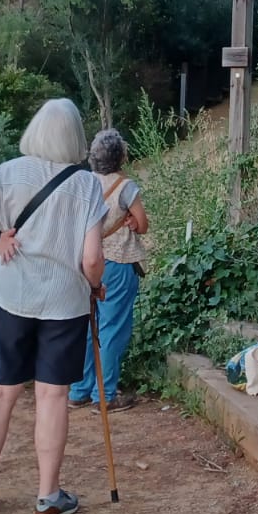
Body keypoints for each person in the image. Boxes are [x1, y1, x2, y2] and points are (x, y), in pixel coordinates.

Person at [0, 97, 107, 514]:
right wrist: (95, 286)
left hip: (11, 297)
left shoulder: (10, 172)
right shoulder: (87, 184)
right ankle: (48, 498)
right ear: (75, 137)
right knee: (52, 397)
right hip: (64, 304)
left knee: (0, 393)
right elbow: (92, 259)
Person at [69, 128, 149, 413]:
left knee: (88, 327)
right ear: (121, 156)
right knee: (112, 329)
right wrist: (128, 220)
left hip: (85, 261)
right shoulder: (125, 187)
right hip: (117, 262)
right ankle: (105, 395)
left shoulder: (83, 184)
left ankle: (79, 390)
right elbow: (142, 223)